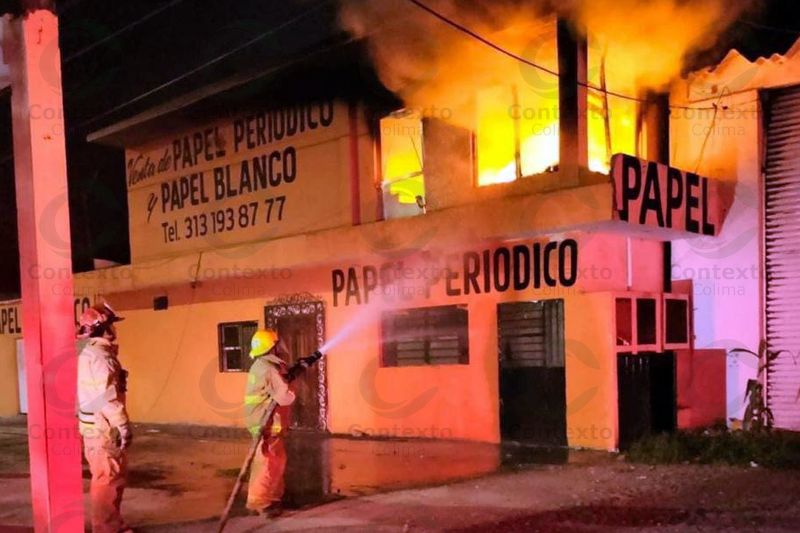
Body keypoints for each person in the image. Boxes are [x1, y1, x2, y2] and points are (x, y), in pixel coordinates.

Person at [76, 302, 132, 533]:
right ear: (103, 328)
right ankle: (108, 529)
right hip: (103, 428)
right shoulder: (100, 357)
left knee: (109, 477)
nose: (114, 330)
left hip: (95, 426)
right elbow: (107, 397)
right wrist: (123, 424)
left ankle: (111, 524)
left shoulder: (89, 354)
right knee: (107, 479)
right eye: (111, 325)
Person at [244, 329, 296, 518]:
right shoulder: (269, 369)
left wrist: (290, 373)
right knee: (267, 463)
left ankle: (270, 499)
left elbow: (276, 384)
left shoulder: (261, 365)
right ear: (272, 347)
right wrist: (291, 384)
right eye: (277, 344)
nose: (280, 347)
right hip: (265, 424)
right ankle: (260, 502)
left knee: (275, 461)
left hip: (262, 422)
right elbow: (285, 397)